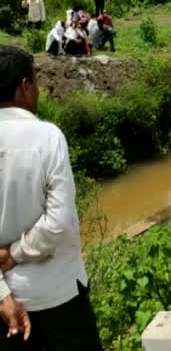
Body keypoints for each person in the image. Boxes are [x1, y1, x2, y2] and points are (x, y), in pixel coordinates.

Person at [0, 46, 103, 349]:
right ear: (24, 86)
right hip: (58, 294)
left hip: (6, 307)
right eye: (36, 82)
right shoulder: (47, 137)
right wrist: (15, 253)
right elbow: (58, 223)